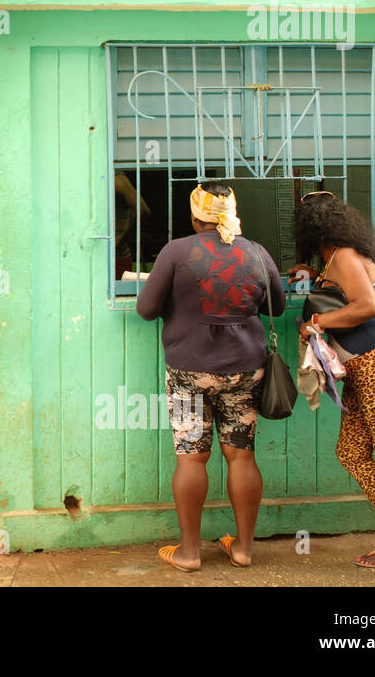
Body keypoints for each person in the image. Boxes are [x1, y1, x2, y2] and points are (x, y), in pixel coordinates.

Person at [137, 183, 285, 572]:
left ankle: (189, 553)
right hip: (244, 371)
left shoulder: (176, 252)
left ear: (194, 216)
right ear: (232, 213)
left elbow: (146, 309)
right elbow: (279, 305)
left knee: (191, 458)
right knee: (241, 455)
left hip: (189, 371)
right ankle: (243, 549)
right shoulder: (256, 251)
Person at [293, 191, 375, 577]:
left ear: (312, 230)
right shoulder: (335, 258)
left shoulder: (346, 256)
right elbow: (337, 298)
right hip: (364, 365)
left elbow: (366, 306)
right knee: (352, 451)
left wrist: (317, 325)